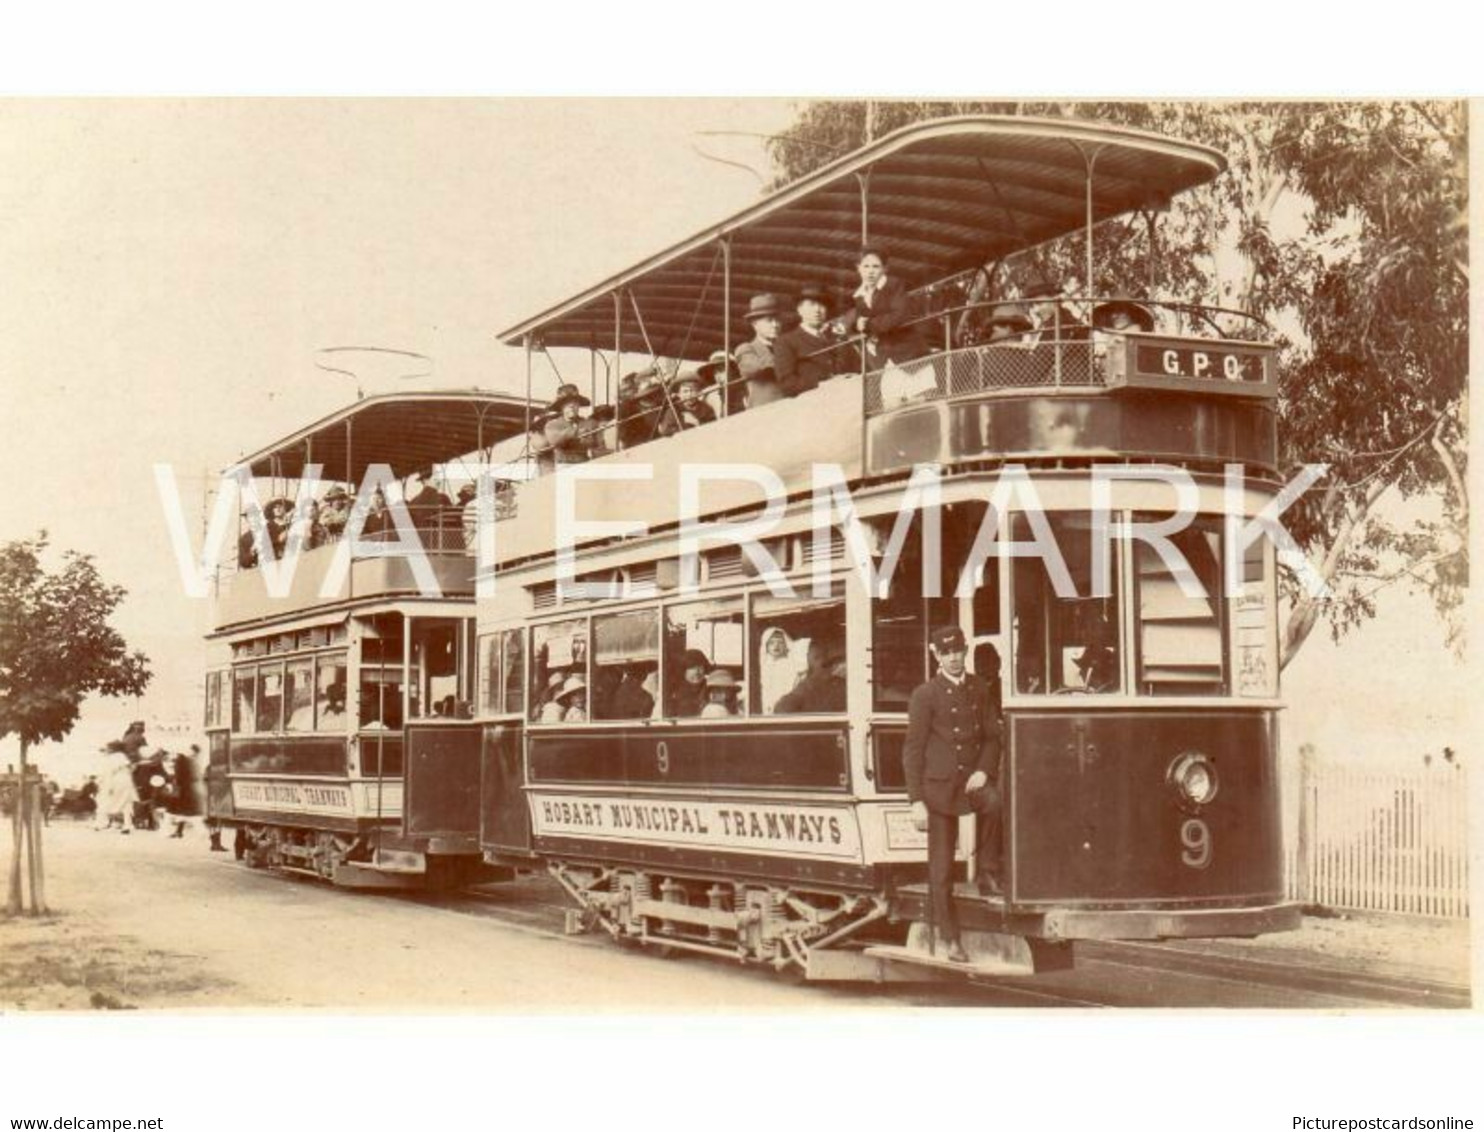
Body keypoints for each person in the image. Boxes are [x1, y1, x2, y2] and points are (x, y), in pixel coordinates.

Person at [902, 625, 1004, 963]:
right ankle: (950, 939)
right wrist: (916, 799)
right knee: (942, 870)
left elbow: (992, 736)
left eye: (958, 650)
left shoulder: (979, 688)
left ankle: (988, 870)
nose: (954, 657)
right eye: (946, 652)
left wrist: (984, 770)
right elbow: (913, 750)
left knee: (996, 802)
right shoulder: (925, 695)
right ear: (936, 655)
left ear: (965, 650)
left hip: (970, 783)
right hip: (938, 790)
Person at [848, 247, 928, 367]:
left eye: (876, 266)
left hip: (907, 353)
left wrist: (868, 324)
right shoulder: (858, 296)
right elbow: (859, 323)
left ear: (885, 269)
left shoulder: (895, 285)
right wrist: (856, 325)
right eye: (866, 266)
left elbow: (900, 315)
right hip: (884, 358)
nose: (870, 271)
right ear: (858, 268)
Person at [774, 285, 843, 397]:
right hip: (810, 404)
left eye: (822, 305)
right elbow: (787, 384)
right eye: (811, 305)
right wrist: (823, 385)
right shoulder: (786, 341)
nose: (817, 310)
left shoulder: (836, 338)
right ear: (800, 310)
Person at [735, 294, 786, 409]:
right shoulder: (746, 349)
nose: (775, 325)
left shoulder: (787, 347)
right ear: (755, 324)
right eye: (769, 320)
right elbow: (753, 369)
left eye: (777, 320)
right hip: (764, 413)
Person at [775, 640, 846, 714]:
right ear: (805, 663)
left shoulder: (840, 683)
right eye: (817, 658)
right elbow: (781, 710)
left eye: (825, 655)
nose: (823, 661)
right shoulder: (804, 688)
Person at [757, 627, 805, 715]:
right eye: (771, 643)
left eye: (780, 642)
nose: (776, 646)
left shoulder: (791, 665)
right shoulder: (763, 665)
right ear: (766, 646)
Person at [657, 367, 716, 436]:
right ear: (679, 394)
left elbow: (712, 426)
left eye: (693, 390)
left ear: (698, 392)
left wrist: (697, 424)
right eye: (685, 391)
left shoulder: (706, 408)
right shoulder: (674, 410)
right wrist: (685, 425)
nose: (689, 394)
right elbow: (665, 430)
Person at [546, 383, 593, 464]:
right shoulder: (552, 425)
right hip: (564, 465)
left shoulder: (587, 423)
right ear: (561, 407)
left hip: (584, 465)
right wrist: (575, 432)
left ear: (579, 405)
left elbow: (592, 442)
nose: (572, 406)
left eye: (575, 402)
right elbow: (555, 441)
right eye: (567, 403)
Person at [698, 350, 744, 417]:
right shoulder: (717, 395)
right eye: (715, 373)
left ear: (733, 370)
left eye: (721, 370)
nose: (718, 376)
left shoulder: (745, 390)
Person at [670, 649, 710, 717]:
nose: (697, 672)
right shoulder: (675, 692)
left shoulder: (710, 688)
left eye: (700, 667)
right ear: (684, 670)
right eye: (692, 668)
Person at [1091, 297, 1156, 334]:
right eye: (1113, 312)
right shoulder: (1106, 332)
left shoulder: (1136, 328)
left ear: (1130, 313)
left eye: (1120, 312)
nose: (1114, 316)